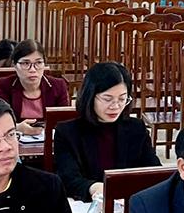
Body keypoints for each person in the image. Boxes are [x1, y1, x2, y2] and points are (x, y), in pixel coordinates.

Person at [53, 62, 161, 202]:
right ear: (90, 96)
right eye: (107, 99)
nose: (115, 106)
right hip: (87, 207)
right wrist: (93, 187)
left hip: (129, 206)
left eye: (122, 99)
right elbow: (68, 179)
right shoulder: (67, 132)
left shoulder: (136, 128)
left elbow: (154, 172)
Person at [0, 39, 69, 135]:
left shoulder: (58, 85)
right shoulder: (5, 85)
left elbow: (64, 122)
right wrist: (16, 127)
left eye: (38, 63)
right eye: (26, 63)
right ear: (14, 65)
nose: (33, 69)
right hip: (16, 140)